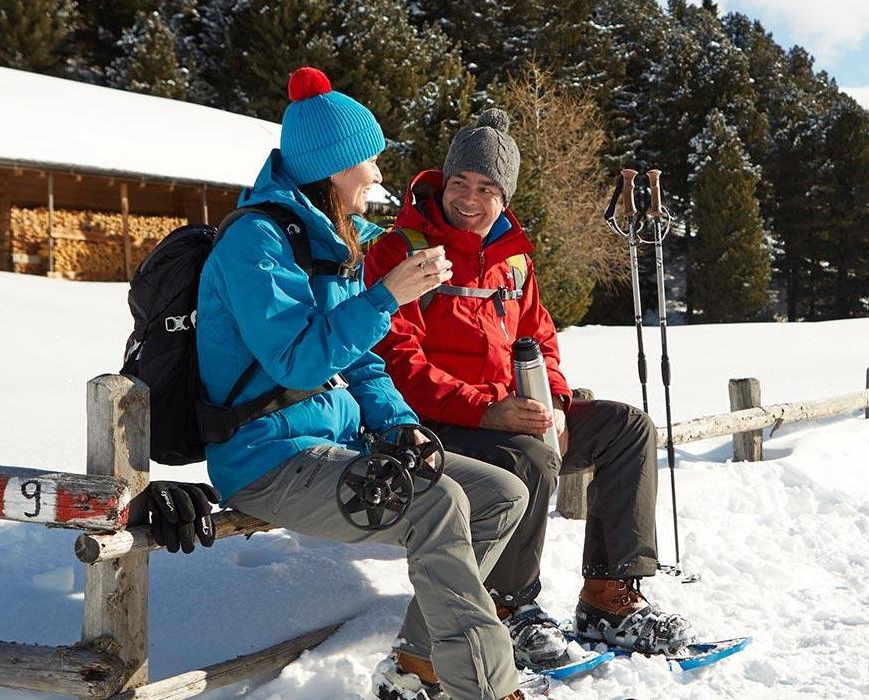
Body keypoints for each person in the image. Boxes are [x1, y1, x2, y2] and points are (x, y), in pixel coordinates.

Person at [195, 67, 529, 700]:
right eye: (369, 160)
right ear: (333, 166)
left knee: (499, 494)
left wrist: (400, 425)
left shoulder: (333, 239)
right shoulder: (255, 245)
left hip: (336, 446)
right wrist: (384, 296)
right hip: (267, 458)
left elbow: (365, 362)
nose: (378, 174)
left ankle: (420, 663)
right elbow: (296, 362)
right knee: (437, 505)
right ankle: (486, 688)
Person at [363, 109, 699, 672]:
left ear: (506, 195)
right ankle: (507, 606)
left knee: (627, 427)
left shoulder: (513, 259)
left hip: (510, 411)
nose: (469, 200)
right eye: (461, 184)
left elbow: (539, 338)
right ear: (444, 182)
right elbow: (398, 364)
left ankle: (608, 598)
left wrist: (558, 404)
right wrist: (490, 412)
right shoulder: (401, 251)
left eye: (487, 189)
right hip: (431, 423)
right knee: (531, 455)